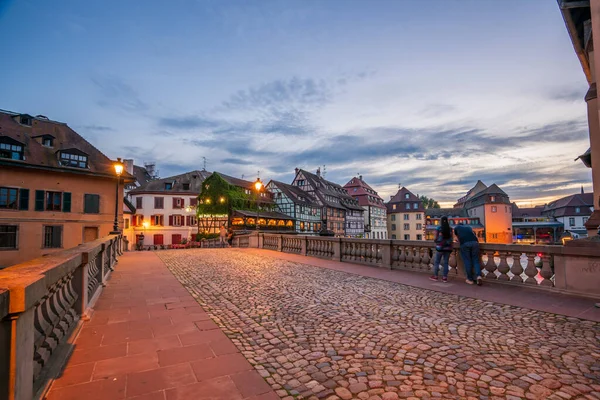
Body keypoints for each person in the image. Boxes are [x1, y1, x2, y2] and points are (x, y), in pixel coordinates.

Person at [430, 216, 453, 283]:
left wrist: (436, 240)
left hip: (440, 247)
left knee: (437, 262)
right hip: (448, 248)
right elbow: (452, 239)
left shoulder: (439, 228)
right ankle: (444, 278)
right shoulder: (450, 229)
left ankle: (435, 276)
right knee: (446, 262)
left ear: (441, 221)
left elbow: (435, 238)